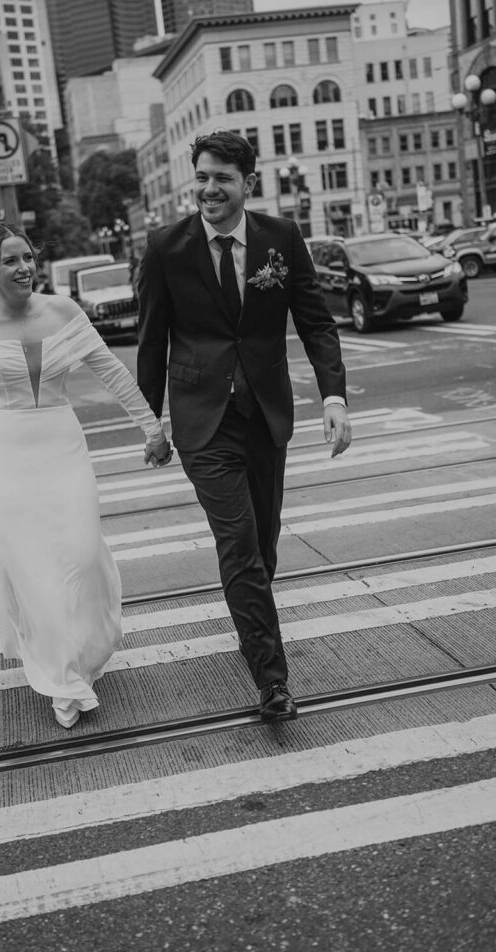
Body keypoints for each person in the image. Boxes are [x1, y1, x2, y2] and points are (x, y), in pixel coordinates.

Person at [137, 130, 351, 722]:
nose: (209, 188)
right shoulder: (165, 248)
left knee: (262, 543)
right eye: (202, 176)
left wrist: (333, 397)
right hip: (202, 420)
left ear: (247, 184)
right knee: (238, 546)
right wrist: (151, 420)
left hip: (265, 413)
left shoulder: (280, 239)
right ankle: (273, 680)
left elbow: (316, 323)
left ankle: (251, 626)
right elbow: (151, 343)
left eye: (222, 178)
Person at [0, 222, 172, 729]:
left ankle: (85, 649)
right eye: (11, 261)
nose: (25, 268)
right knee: (32, 568)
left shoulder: (64, 311)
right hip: (6, 456)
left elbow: (112, 372)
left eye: (28, 257)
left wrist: (152, 428)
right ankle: (62, 679)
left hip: (63, 446)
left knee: (81, 553)